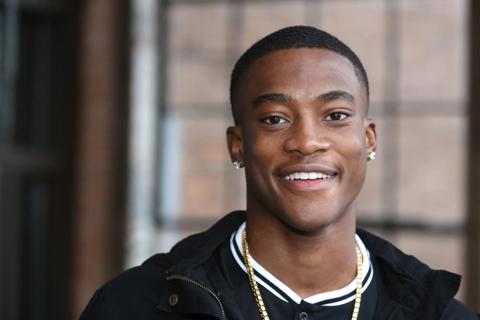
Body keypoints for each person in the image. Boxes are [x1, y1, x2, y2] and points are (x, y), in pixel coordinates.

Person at [80, 26, 479, 319]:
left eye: (336, 116)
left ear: (369, 139)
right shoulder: (131, 306)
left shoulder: (441, 315)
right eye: (275, 119)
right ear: (238, 145)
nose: (306, 141)